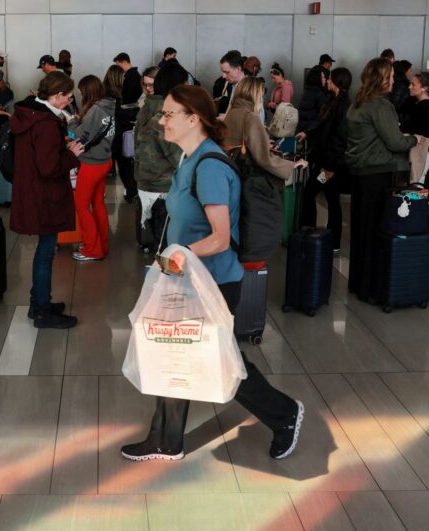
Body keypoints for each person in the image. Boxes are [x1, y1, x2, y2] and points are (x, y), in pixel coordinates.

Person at [120, 84, 304, 462]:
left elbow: (221, 238)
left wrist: (181, 253)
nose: (161, 119)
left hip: (214, 282)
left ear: (194, 118)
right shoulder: (190, 157)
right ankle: (166, 440)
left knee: (223, 364)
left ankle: (286, 414)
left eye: (169, 113)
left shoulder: (209, 166)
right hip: (190, 278)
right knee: (175, 354)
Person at [9, 71, 84, 330]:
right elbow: (49, 167)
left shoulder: (29, 114)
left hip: (32, 192)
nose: (70, 100)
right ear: (56, 95)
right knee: (46, 252)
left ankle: (38, 302)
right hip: (45, 196)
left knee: (45, 250)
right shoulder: (46, 123)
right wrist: (72, 154)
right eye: (68, 96)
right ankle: (42, 310)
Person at [345, 58, 420, 303]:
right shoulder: (381, 106)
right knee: (376, 232)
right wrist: (414, 140)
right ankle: (372, 288)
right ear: (380, 79)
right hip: (378, 174)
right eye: (389, 77)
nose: (393, 81)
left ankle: (358, 283)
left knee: (360, 231)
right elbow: (395, 142)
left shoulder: (357, 103)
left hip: (359, 173)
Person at [300, 68, 351, 249]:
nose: (327, 81)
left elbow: (339, 137)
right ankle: (332, 240)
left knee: (311, 193)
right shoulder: (335, 101)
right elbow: (324, 128)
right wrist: (307, 133)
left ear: (337, 82)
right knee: (331, 199)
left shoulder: (342, 105)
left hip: (329, 166)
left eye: (330, 79)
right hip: (328, 162)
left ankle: (309, 231)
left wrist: (328, 166)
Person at [70, 75, 116, 261]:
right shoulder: (108, 105)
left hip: (92, 163)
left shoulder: (96, 110)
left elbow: (81, 136)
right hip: (104, 160)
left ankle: (92, 249)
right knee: (97, 203)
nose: (79, 95)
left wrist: (72, 122)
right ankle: (101, 245)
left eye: (81, 92)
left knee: (81, 205)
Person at [224, 77, 306, 181]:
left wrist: (263, 141)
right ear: (255, 95)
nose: (261, 100)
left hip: (230, 170)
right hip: (247, 177)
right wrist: (292, 165)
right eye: (261, 96)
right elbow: (264, 158)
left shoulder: (232, 112)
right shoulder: (250, 117)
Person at [134, 67, 180, 243]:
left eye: (151, 85)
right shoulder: (165, 112)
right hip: (163, 183)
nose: (148, 89)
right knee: (167, 241)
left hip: (146, 179)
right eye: (145, 85)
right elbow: (174, 154)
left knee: (157, 235)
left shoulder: (145, 107)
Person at [105, 64, 138, 202]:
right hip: (116, 138)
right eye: (123, 76)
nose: (125, 79)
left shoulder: (107, 92)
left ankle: (130, 191)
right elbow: (117, 114)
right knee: (125, 165)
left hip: (112, 137)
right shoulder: (111, 95)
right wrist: (134, 113)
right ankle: (131, 192)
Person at [400, 72, 429, 184]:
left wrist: (405, 132)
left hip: (419, 153)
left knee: (416, 187)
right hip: (417, 152)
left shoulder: (426, 107)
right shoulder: (417, 103)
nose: (409, 87)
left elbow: (420, 132)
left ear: (424, 88)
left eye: (413, 84)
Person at [297, 66, 329, 135]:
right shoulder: (319, 94)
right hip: (313, 130)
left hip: (304, 127)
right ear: (317, 78)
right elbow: (322, 115)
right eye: (323, 77)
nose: (325, 80)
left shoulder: (307, 90)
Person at [214, 51, 245, 116]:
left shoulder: (248, 89)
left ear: (238, 69)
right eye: (223, 72)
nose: (223, 76)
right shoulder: (234, 85)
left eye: (227, 72)